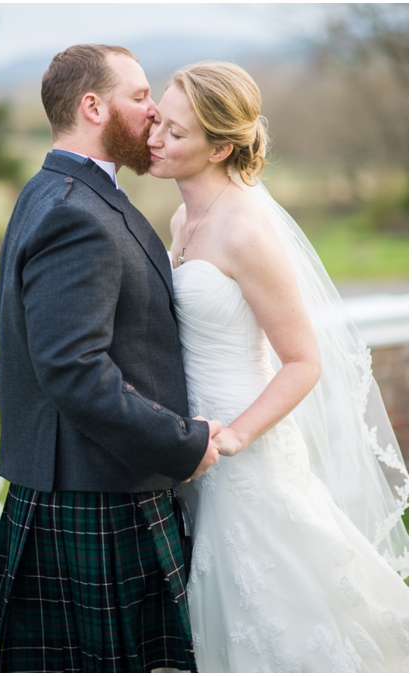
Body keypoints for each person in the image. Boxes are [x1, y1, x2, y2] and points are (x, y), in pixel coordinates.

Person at [147, 60, 409, 672]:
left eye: (176, 133)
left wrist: (235, 436)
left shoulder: (247, 231)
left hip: (245, 449)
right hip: (191, 448)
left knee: (276, 608)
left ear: (221, 148)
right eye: (158, 120)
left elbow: (302, 361)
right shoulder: (181, 220)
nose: (155, 138)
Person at [0, 44, 221, 673]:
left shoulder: (58, 191)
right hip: (96, 490)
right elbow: (74, 370)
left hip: (89, 481)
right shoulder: (74, 213)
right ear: (92, 106)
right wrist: (182, 442)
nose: (153, 112)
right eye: (139, 98)